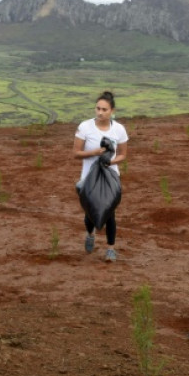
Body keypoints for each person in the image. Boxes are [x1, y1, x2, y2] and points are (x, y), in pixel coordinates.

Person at [73, 91, 129, 262]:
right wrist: (95, 153)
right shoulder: (85, 127)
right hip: (88, 179)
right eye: (98, 108)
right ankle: (90, 233)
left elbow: (122, 155)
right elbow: (76, 153)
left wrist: (109, 162)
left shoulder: (119, 129)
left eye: (104, 109)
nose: (100, 112)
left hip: (110, 178)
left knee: (109, 213)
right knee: (90, 211)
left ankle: (110, 249)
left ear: (112, 110)